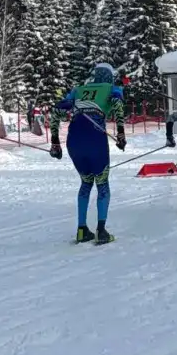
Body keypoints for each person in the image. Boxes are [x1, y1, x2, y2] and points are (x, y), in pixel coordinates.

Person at [49, 63, 126, 244]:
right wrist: (121, 133)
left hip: (74, 138)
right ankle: (101, 230)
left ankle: (82, 229)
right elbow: (117, 106)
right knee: (102, 183)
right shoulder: (112, 88)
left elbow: (57, 111)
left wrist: (54, 142)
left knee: (85, 182)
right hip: (95, 135)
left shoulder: (78, 90)